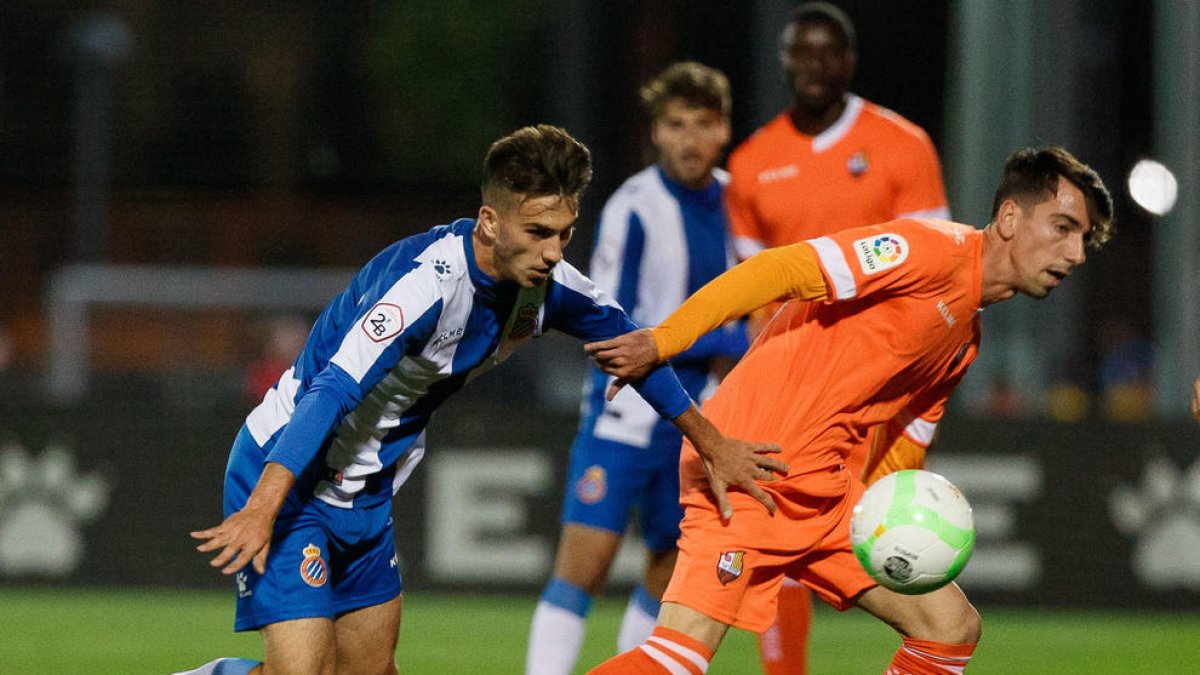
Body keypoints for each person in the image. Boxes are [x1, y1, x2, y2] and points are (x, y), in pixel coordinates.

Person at [178, 124, 785, 675]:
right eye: (538, 233)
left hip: (365, 490)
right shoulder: (425, 284)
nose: (553, 252)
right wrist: (264, 506)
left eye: (565, 234)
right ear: (490, 223)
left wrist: (713, 444)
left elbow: (637, 350)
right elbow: (331, 389)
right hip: (290, 471)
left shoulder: (551, 288)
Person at [584, 146, 1114, 674]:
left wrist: (895, 524)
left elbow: (905, 445)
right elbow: (778, 268)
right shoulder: (928, 250)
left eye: (1083, 239)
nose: (1076, 254)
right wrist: (664, 339)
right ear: (1010, 217)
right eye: (1063, 228)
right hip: (748, 466)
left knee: (950, 629)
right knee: (677, 660)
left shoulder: (964, 342)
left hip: (824, 492)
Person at [725, 4, 951, 671]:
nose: (815, 66)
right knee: (782, 535)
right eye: (803, 52)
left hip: (881, 384)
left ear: (849, 63)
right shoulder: (751, 163)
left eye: (829, 53)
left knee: (891, 542)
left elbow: (938, 268)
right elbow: (754, 293)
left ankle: (931, 649)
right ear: (785, 61)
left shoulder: (903, 146)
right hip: (794, 385)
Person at [525, 63, 747, 675]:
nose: (690, 139)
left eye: (702, 123)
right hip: (624, 415)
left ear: (723, 129)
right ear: (656, 132)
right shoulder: (634, 206)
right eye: (676, 124)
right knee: (583, 566)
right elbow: (609, 320)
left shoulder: (743, 202)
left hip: (702, 419)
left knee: (669, 570)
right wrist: (728, 338)